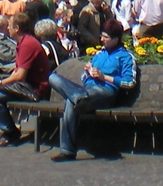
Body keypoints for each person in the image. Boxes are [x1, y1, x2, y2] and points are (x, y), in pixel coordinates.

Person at [48, 18, 134, 161]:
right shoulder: (99, 54)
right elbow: (84, 78)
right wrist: (87, 72)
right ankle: (78, 98)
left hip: (104, 93)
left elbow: (129, 82)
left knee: (71, 101)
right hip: (86, 90)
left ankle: (67, 150)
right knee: (53, 78)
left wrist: (104, 77)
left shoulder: (125, 57)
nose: (102, 40)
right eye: (102, 36)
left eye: (106, 37)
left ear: (116, 39)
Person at [0, 12, 52, 146]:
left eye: (9, 26)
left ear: (17, 28)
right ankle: (9, 130)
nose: (7, 28)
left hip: (34, 89)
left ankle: (10, 132)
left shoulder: (27, 44)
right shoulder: (24, 42)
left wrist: (0, 83)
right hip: (27, 85)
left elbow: (20, 75)